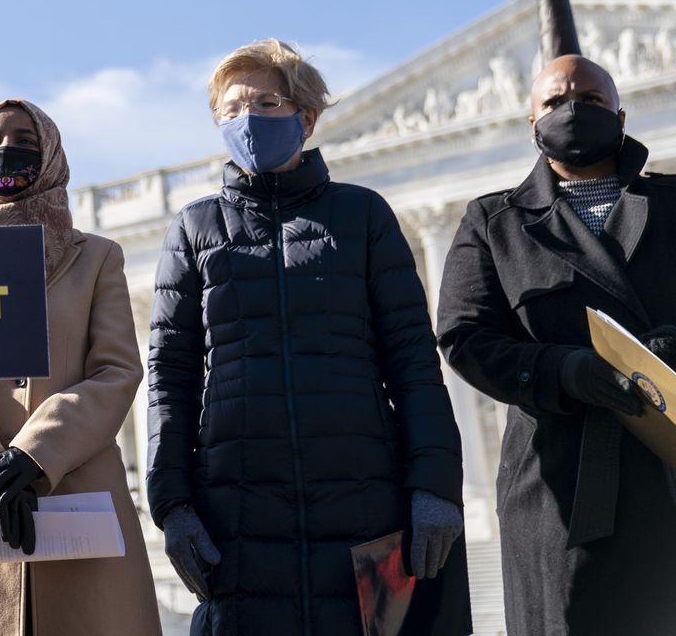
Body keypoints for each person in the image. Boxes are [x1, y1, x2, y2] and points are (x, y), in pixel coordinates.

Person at [147, 39, 466, 636]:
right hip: (237, 515)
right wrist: (173, 504)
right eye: (230, 110)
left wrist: (436, 487)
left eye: (266, 102)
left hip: (365, 508)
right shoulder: (192, 229)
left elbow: (414, 363)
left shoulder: (363, 216)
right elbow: (171, 380)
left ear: (306, 117)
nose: (246, 120)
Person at [436, 54, 676, 636]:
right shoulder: (493, 222)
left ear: (620, 115)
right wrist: (562, 370)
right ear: (532, 122)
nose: (572, 110)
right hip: (559, 486)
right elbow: (464, 336)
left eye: (591, 100)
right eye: (555, 101)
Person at [0, 100, 160, 636]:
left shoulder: (97, 258)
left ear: (49, 155)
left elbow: (117, 371)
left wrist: (35, 456)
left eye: (25, 141)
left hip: (78, 500)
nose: (7, 151)